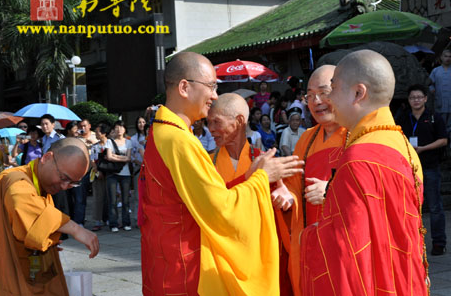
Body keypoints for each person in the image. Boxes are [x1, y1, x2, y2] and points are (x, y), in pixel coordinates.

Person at [140, 51, 303, 295]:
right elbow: (221, 209)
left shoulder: (166, 133)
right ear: (184, 87)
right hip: (185, 268)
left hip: (171, 260)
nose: (214, 95)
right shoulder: (177, 140)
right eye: (211, 86)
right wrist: (260, 178)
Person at [300, 50, 428, 295]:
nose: (328, 100)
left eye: (333, 89)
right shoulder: (403, 146)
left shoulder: (358, 159)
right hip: (406, 279)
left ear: (358, 93)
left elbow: (347, 249)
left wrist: (307, 238)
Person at [207, 93, 295, 294]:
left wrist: (287, 200)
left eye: (216, 122)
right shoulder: (206, 163)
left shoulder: (264, 160)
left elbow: (285, 204)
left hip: (258, 257)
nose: (210, 129)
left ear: (239, 121)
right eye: (208, 122)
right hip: (222, 259)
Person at [0, 137, 99, 295]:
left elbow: (32, 228)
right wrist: (75, 229)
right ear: (47, 158)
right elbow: (22, 204)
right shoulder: (13, 179)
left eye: (73, 183)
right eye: (64, 178)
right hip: (1, 271)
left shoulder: (39, 185)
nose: (65, 187)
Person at [278, 65, 347, 295]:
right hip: (311, 241)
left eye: (324, 92)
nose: (316, 101)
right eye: (310, 95)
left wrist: (330, 190)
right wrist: (286, 196)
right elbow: (293, 189)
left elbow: (373, 188)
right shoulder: (306, 139)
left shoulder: (358, 133)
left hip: (345, 244)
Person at [396, 84, 448, 256]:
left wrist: (423, 148)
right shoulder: (403, 117)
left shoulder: (434, 117)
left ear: (425, 98)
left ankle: (439, 243)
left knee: (434, 206)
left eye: (419, 97)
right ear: (408, 100)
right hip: (408, 169)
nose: (416, 100)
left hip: (430, 166)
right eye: (412, 98)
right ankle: (411, 242)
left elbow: (443, 140)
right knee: (409, 206)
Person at [105, 120, 132, 232]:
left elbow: (129, 158)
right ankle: (114, 224)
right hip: (112, 174)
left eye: (121, 127)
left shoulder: (128, 142)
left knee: (125, 200)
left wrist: (116, 156)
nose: (119, 129)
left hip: (125, 174)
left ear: (125, 129)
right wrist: (122, 158)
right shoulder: (109, 142)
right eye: (117, 127)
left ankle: (126, 222)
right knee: (113, 200)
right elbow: (109, 157)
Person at [40, 114, 68, 219]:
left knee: (60, 200)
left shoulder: (60, 138)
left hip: (58, 172)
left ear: (53, 124)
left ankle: (63, 228)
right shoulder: (43, 139)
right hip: (47, 173)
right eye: (42, 124)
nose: (44, 126)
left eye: (46, 124)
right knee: (50, 200)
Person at [90, 123, 110, 231]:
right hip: (99, 174)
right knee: (98, 197)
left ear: (103, 133)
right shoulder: (95, 146)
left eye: (97, 132)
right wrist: (97, 171)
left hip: (111, 173)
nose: (96, 134)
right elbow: (92, 160)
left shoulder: (111, 144)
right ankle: (97, 220)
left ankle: (109, 218)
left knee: (110, 197)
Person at [130, 116, 148, 226]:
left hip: (150, 169)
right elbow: (131, 155)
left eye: (143, 122)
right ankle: (138, 217)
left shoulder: (151, 136)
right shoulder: (133, 139)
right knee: (137, 194)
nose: (141, 124)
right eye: (139, 122)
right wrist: (139, 163)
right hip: (138, 168)